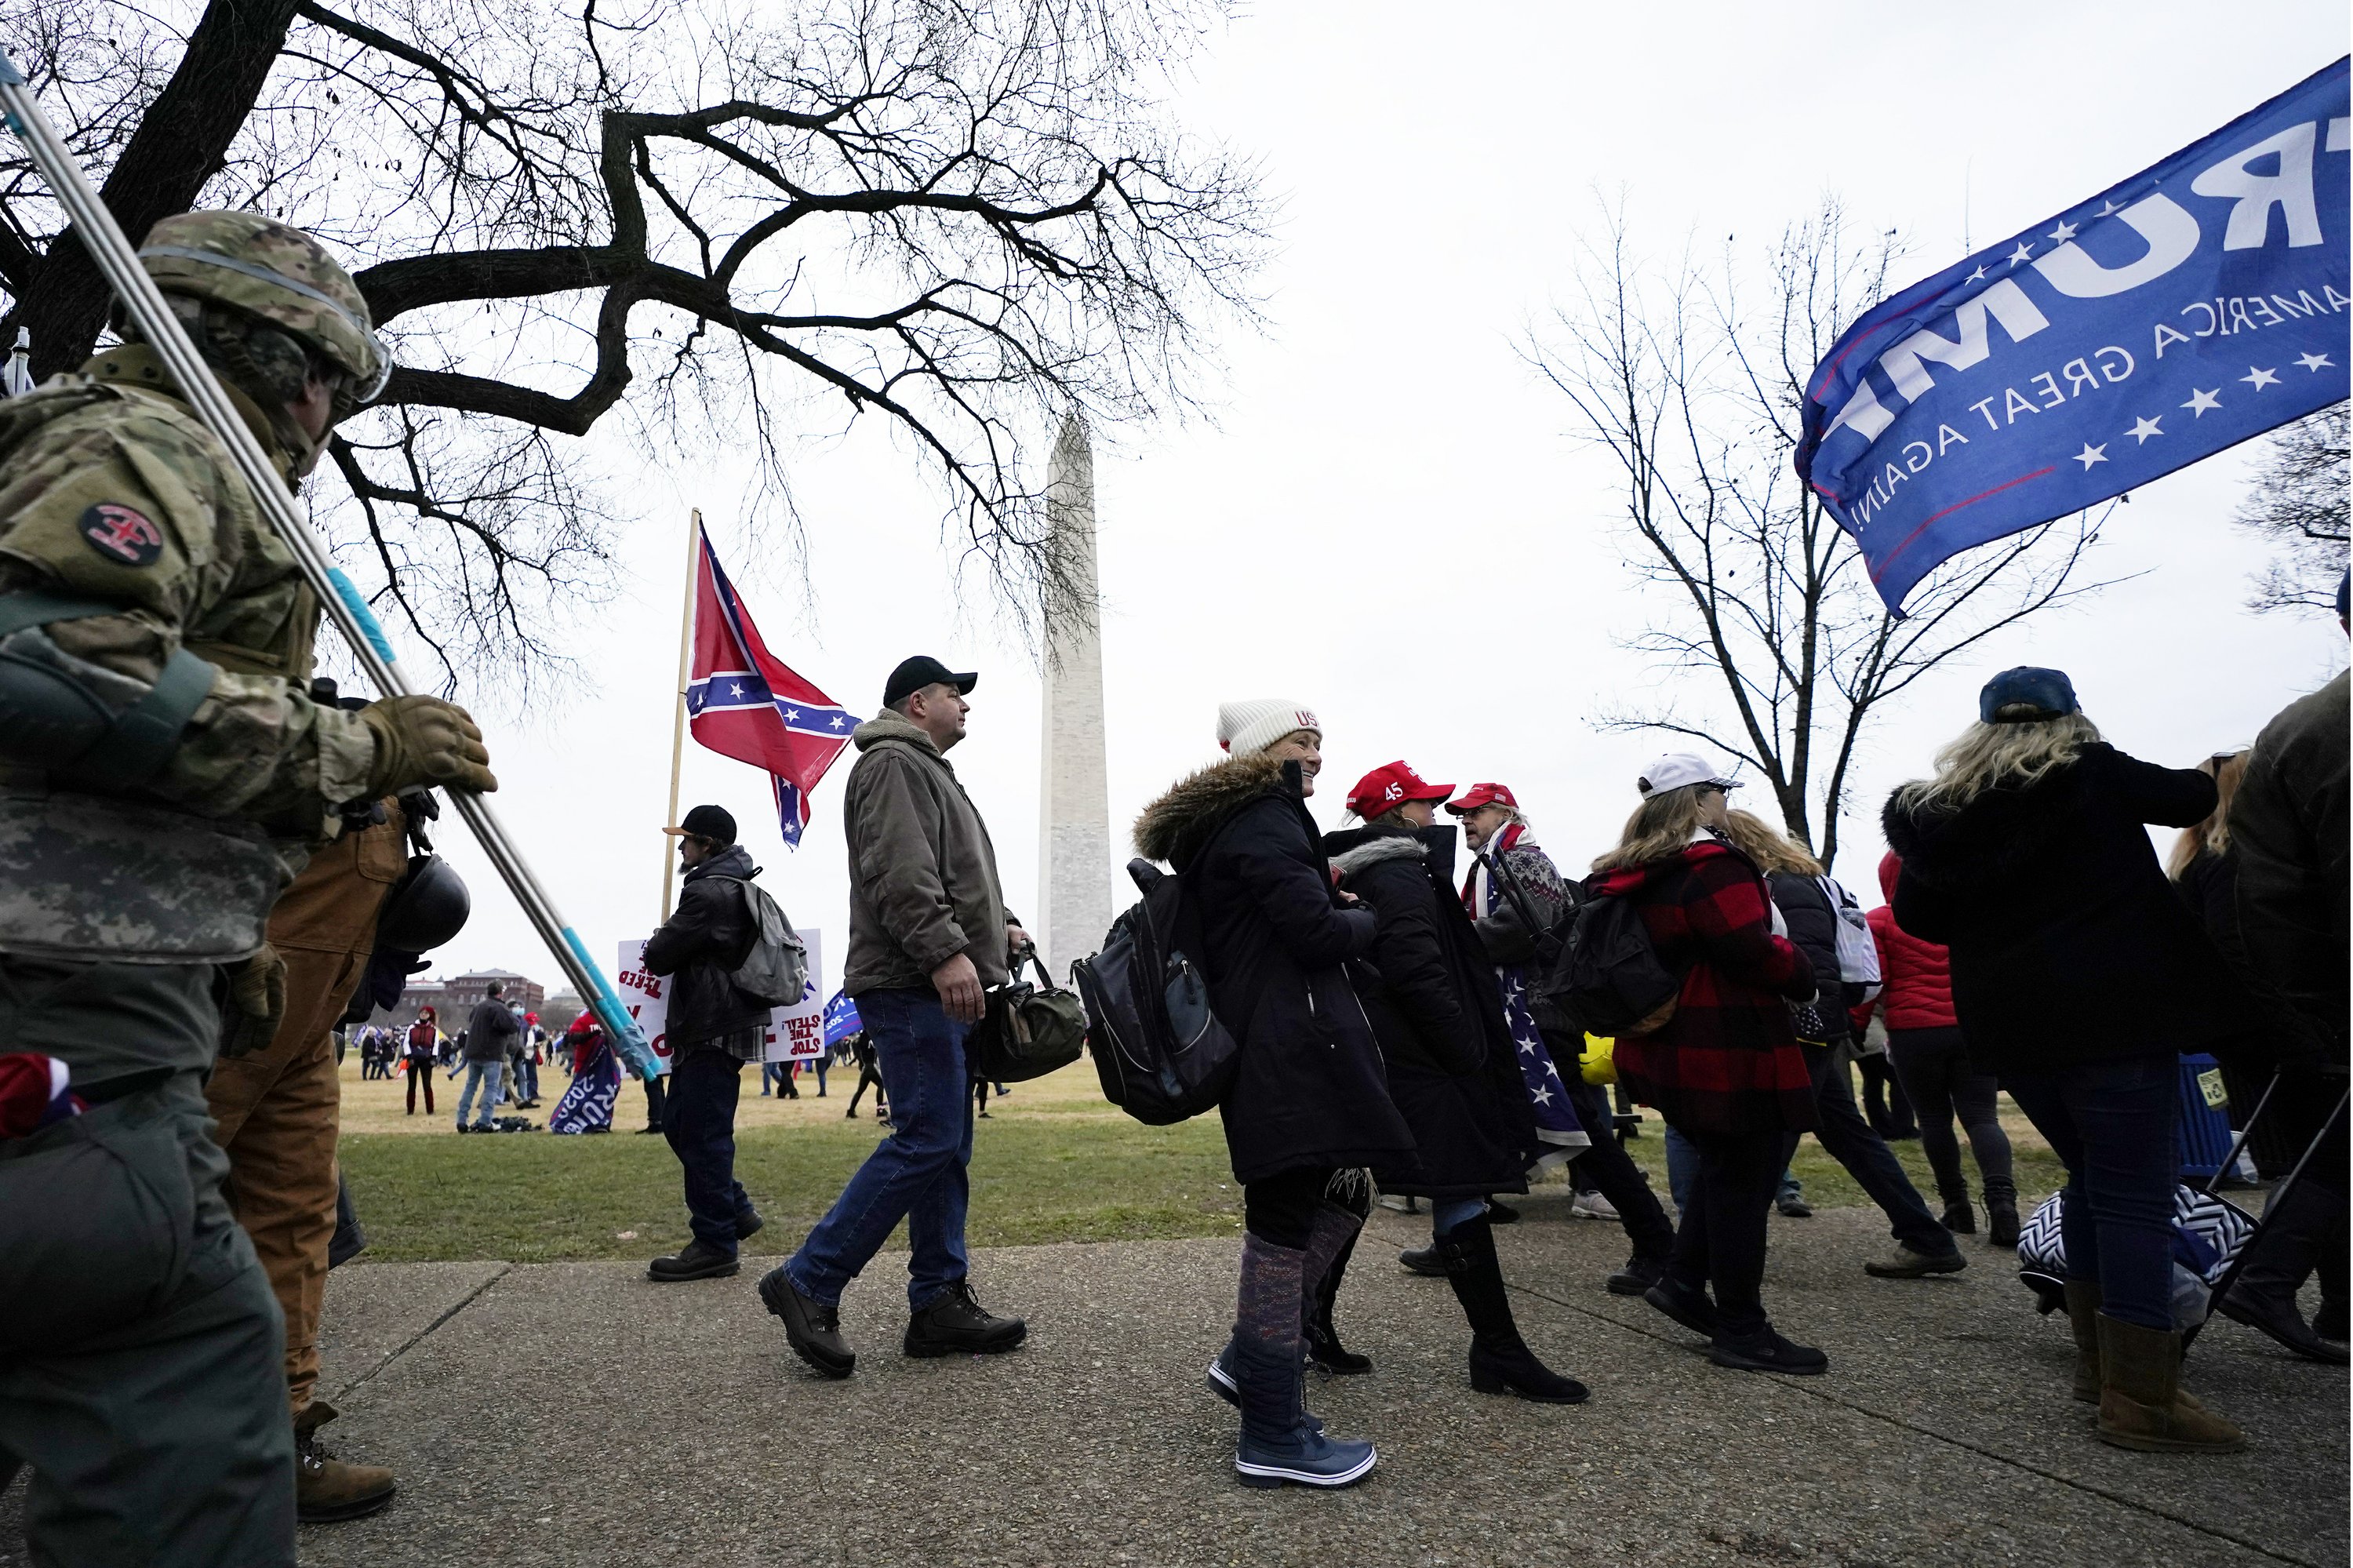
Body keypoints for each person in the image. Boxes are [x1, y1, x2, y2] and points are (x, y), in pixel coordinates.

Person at [0, 210, 493, 1566]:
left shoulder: (172, 455)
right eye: (322, 373)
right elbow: (48, 668)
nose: (327, 411)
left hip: (119, 982)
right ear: (261, 352)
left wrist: (222, 942)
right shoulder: (141, 442)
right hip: (57, 991)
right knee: (182, 1415)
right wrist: (359, 747)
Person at [1885, 667, 2245, 1453]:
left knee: (2092, 1181)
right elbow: (2190, 799)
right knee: (2137, 1197)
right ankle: (2143, 1398)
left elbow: (1919, 914)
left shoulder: (1945, 810)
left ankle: (2100, 1368)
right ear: (2071, 716)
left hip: (2014, 1028)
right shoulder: (2092, 773)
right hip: (2117, 1015)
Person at [1131, 698, 1410, 1490]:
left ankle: (1254, 1361)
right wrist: (1363, 917)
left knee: (1334, 1194)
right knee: (1285, 1221)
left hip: (1276, 1038)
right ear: (1263, 753)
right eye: (1300, 740)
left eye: (1320, 739)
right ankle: (1272, 1430)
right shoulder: (1267, 818)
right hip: (1289, 1045)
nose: (1316, 753)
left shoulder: (1237, 824)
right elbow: (1314, 935)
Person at [762, 657, 1029, 1374]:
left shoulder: (925, 768)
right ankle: (809, 1278)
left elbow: (948, 871)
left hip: (932, 980)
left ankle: (938, 1300)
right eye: (954, 693)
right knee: (928, 1136)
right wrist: (946, 953)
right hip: (913, 982)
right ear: (918, 702)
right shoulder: (891, 764)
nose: (965, 704)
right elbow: (898, 871)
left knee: (947, 1143)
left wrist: (997, 926)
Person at [1318, 762, 1587, 1403]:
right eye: (1425, 805)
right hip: (1431, 1062)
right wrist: (1465, 1046)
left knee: (1359, 1191)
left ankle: (1310, 1325)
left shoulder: (1365, 870)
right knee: (1456, 1187)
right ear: (1398, 811)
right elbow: (1415, 966)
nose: (1437, 817)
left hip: (1400, 1058)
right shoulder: (1400, 871)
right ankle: (1497, 1348)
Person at [205, 788, 413, 1523]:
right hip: (225, 936)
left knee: (295, 1212)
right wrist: (356, 747)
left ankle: (271, 1439)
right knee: (132, 1197)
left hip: (316, 970)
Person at [1595, 753, 1823, 1375]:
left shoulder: (1641, 868)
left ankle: (1684, 1282)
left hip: (1670, 1040)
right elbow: (1749, 946)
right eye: (1718, 791)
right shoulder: (1713, 864)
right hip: (1726, 1040)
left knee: (1726, 1171)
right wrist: (1804, 972)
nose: (1725, 801)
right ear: (1697, 801)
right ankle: (1744, 1327)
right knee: (1744, 1185)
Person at [1446, 781, 1677, 1297]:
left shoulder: (1522, 860)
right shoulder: (1492, 862)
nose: (1465, 821)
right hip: (1514, 1016)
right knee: (1478, 1121)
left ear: (1504, 810)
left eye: (1474, 812)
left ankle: (1658, 1241)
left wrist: (1452, 937)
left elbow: (1524, 930)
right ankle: (1457, 1236)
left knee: (1586, 1136)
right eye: (1461, 815)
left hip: (1539, 1017)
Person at [1716, 810, 1965, 1281]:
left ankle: (1705, 1256)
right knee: (1850, 1136)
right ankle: (1927, 1238)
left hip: (1802, 1029)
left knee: (1764, 1144)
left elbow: (1810, 965)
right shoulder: (1807, 882)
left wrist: (1805, 1023)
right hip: (1817, 1029)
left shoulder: (1784, 888)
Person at [2222, 608, 2349, 1363]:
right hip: (2327, 973)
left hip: (2305, 974)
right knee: (2338, 1147)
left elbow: (2262, 885)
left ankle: (2330, 1299)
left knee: (2335, 1140)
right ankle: (2269, 1277)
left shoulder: (2295, 728)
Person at [1855, 851, 2016, 1247]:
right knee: (1982, 1119)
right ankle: (2003, 1205)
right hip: (1969, 1028)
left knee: (1933, 1121)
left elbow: (1876, 980)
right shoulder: (1967, 913)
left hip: (1914, 1033)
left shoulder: (1880, 920)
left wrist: (1856, 1025)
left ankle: (1957, 1206)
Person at [640, 803, 772, 1282]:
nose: (681, 847)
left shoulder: (707, 893)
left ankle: (715, 1241)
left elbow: (658, 956)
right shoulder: (735, 886)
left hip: (711, 1026)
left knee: (703, 1133)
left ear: (708, 846)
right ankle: (733, 1209)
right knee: (680, 1123)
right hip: (722, 1025)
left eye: (688, 839)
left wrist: (662, 935)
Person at [456, 980, 521, 1132]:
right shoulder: (500, 1007)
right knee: (491, 1088)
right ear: (500, 992)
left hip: (473, 1052)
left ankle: (461, 1120)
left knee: (470, 1087)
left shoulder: (478, 1006)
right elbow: (512, 1026)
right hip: (491, 1053)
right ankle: (485, 1121)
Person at [549, 1012, 622, 1135]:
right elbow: (571, 1038)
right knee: (581, 1099)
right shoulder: (583, 1020)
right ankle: (578, 1123)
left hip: (605, 1068)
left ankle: (601, 1123)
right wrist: (588, 1036)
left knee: (605, 1095)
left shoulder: (611, 1019)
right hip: (585, 1067)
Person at [842, 1031, 889, 1122]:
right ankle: (880, 1109)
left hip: (866, 1067)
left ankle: (851, 1110)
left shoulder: (861, 1039)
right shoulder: (872, 1038)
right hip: (871, 1066)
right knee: (881, 1085)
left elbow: (858, 1053)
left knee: (860, 1091)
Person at [405, 1007, 441, 1116]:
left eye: (426, 1013)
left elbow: (435, 1044)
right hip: (413, 1059)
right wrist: (409, 1056)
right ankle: (410, 1110)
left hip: (426, 1059)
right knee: (412, 1085)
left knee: (427, 1085)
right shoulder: (412, 1028)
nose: (423, 1015)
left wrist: (434, 1058)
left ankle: (430, 1110)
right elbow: (406, 1043)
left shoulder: (433, 1029)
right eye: (422, 1013)